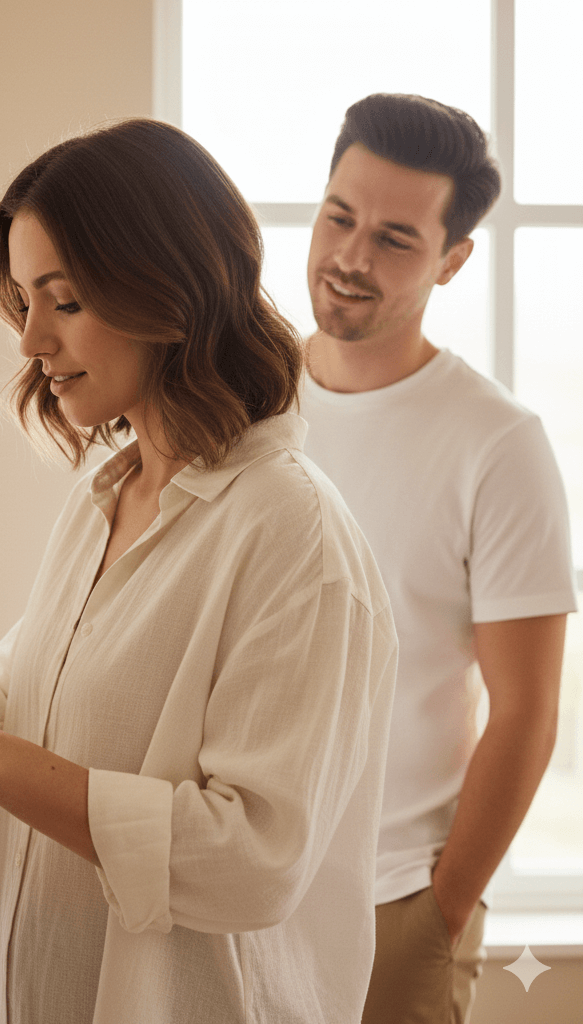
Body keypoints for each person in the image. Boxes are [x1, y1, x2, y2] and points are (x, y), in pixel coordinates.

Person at [0, 118, 398, 1024]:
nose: (30, 341)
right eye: (22, 300)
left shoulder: (296, 538)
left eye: (66, 300)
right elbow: (34, 712)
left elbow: (251, 863)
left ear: (169, 289)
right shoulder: (110, 487)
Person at [300, 93, 577, 1024]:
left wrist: (442, 913)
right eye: (340, 217)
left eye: (394, 239)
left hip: (394, 901)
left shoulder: (497, 444)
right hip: (223, 885)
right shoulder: (241, 404)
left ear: (453, 259)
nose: (350, 257)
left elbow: (529, 710)